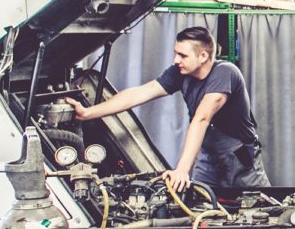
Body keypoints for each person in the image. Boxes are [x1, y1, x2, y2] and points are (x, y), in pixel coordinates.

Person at [65, 26, 270, 191]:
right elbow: (140, 93)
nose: (175, 60)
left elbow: (202, 119)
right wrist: (88, 112)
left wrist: (181, 170)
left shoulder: (225, 73)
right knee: (202, 212)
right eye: (175, 54)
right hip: (207, 157)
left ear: (203, 56)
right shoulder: (179, 72)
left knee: (258, 211)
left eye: (182, 55)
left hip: (238, 159)